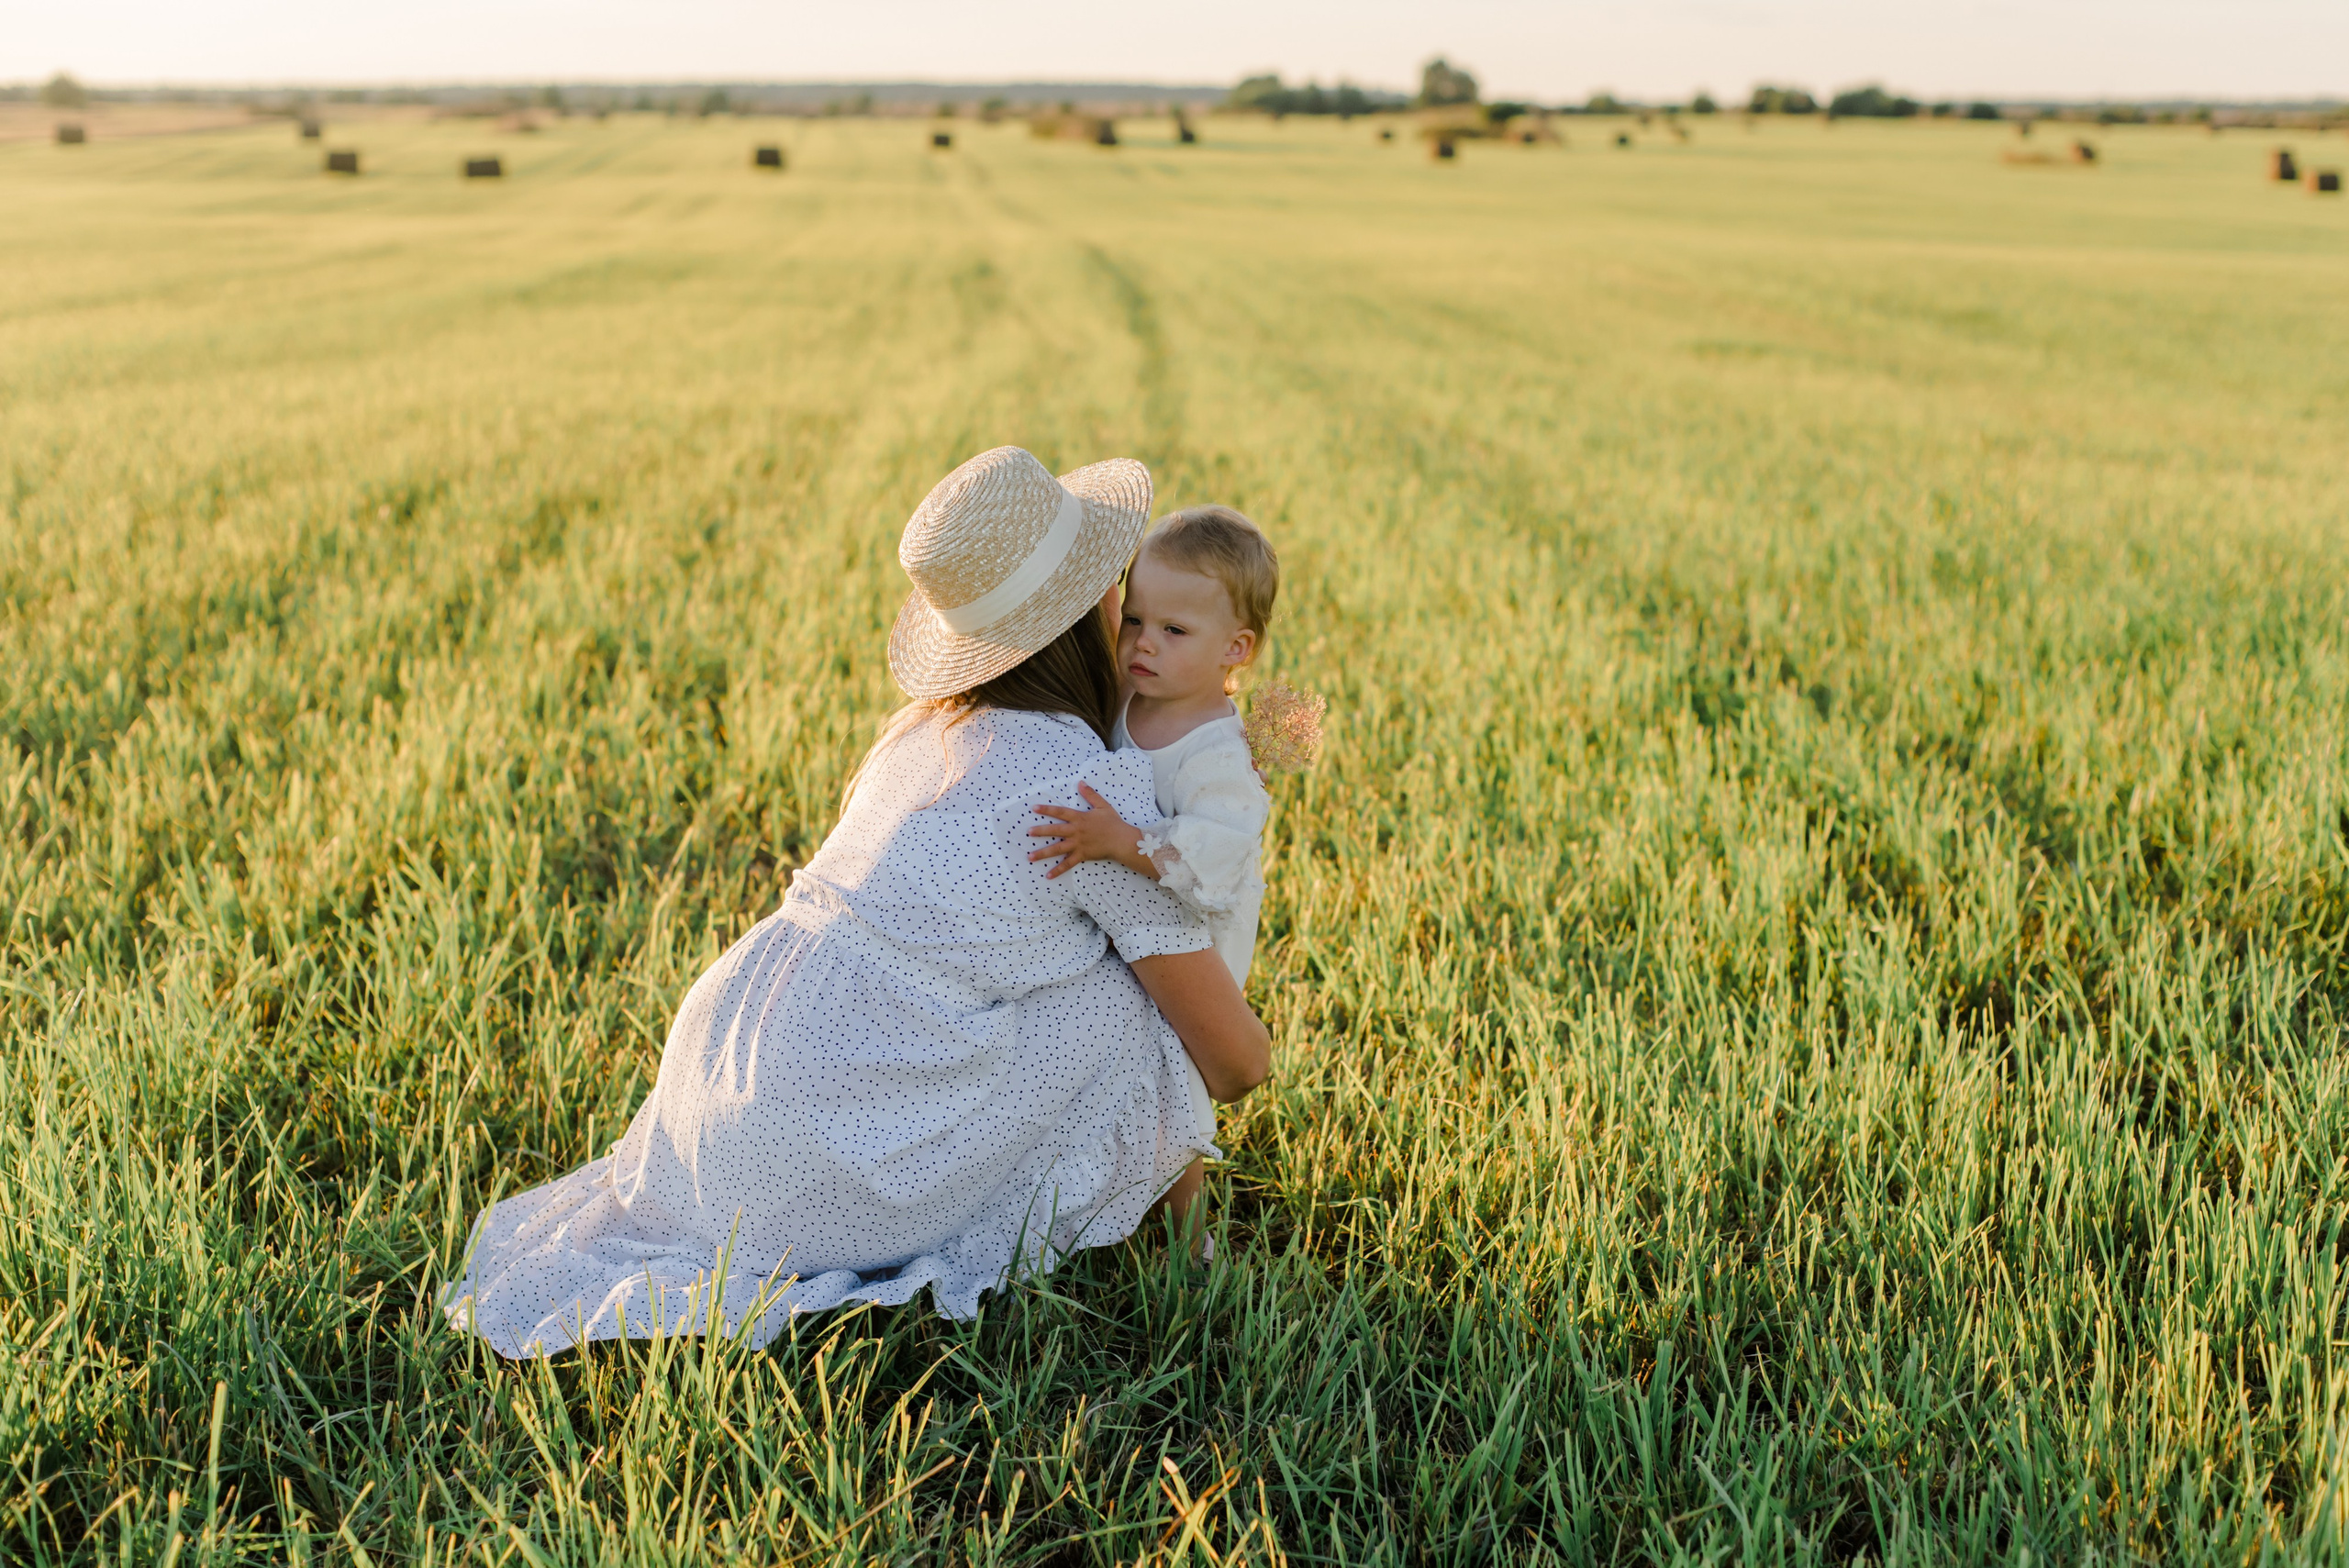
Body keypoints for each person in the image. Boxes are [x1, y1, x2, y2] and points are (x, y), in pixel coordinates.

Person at [441, 447, 1270, 1359]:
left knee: (1069, 966)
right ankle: (1154, 1234)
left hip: (708, 1110)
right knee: (1134, 996)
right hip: (822, 1158)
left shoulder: (919, 734)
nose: (1134, 627)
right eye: (1121, 598)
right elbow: (1237, 1062)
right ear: (1089, 614)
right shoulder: (1083, 793)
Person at [1024, 506, 1280, 984]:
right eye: (1135, 619)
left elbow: (1211, 861)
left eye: (1174, 630)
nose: (1143, 642)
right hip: (1125, 911)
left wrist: (1120, 841)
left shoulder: (1217, 756)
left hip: (1193, 947)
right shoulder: (1132, 689)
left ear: (1235, 648)